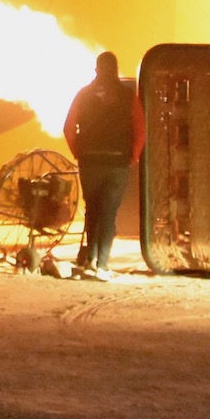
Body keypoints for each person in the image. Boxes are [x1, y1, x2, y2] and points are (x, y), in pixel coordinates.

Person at [64, 51, 144, 281]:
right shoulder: (128, 96)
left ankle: (90, 258)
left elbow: (69, 127)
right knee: (108, 212)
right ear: (116, 70)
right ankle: (102, 264)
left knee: (92, 210)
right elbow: (140, 128)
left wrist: (79, 152)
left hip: (90, 161)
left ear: (96, 69)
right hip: (117, 162)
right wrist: (133, 156)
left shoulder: (83, 94)